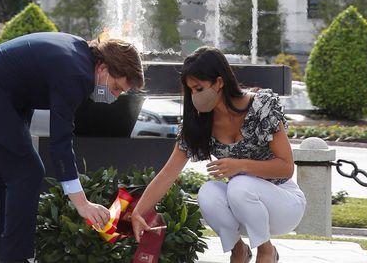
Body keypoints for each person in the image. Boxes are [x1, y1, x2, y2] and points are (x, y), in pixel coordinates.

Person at [0, 32, 144, 263]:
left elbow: (25, 88)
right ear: (104, 67)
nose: (115, 96)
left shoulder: (78, 53)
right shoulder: (76, 73)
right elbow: (61, 140)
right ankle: (13, 257)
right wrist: (82, 204)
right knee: (28, 172)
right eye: (116, 87)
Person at [130, 47, 305, 263]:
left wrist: (240, 165)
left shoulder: (261, 106)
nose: (195, 96)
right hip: (245, 206)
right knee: (208, 192)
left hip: (283, 202)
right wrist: (137, 212)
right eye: (190, 90)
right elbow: (168, 174)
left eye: (199, 88)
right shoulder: (199, 123)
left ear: (219, 82)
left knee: (240, 184)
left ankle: (266, 250)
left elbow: (287, 167)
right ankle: (238, 250)